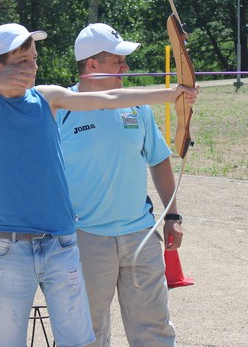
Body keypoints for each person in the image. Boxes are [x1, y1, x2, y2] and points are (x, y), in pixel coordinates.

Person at [0, 23, 197, 347]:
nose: (33, 67)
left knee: (79, 340)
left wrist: (170, 94)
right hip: (13, 245)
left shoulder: (48, 97)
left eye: (34, 59)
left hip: (61, 243)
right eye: (23, 61)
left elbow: (109, 97)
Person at [56, 23, 186, 346]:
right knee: (88, 336)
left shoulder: (137, 105)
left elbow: (157, 159)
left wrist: (172, 215)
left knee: (155, 332)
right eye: (118, 61)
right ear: (92, 66)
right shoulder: (59, 108)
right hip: (85, 241)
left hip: (140, 236)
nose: (126, 67)